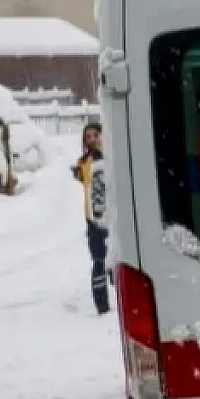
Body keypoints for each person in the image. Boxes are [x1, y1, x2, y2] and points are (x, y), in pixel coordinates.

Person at [72, 123, 111, 315]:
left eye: (96, 135)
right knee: (98, 262)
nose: (93, 139)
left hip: (111, 219)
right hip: (93, 221)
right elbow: (83, 178)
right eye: (88, 136)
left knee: (115, 260)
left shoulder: (110, 157)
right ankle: (101, 304)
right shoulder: (84, 162)